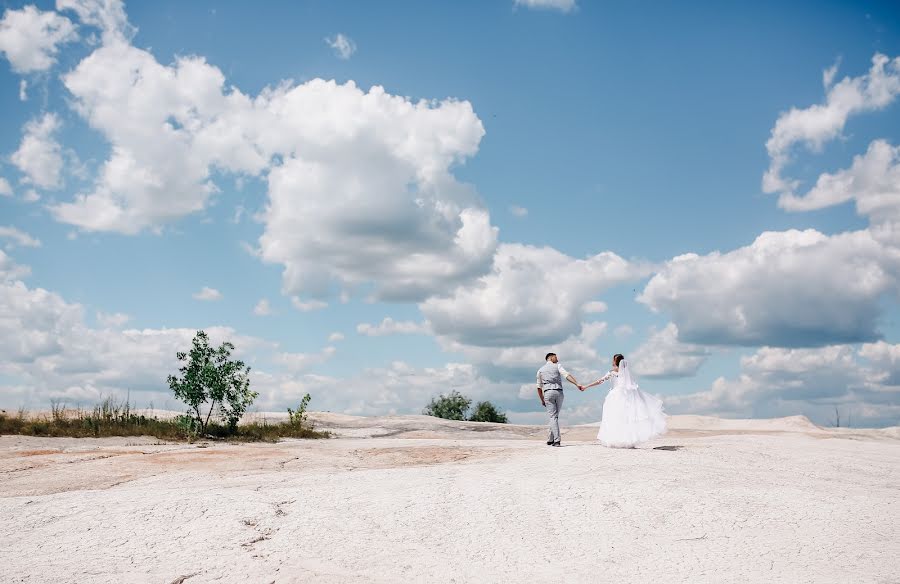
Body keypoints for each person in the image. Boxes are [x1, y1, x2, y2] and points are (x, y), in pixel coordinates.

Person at [582, 354, 666, 448]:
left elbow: (599, 381)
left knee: (614, 418)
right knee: (625, 419)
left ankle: (616, 440)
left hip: (614, 397)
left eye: (613, 359)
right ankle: (627, 441)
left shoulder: (612, 373)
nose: (612, 361)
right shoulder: (627, 374)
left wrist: (586, 386)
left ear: (616, 361)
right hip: (625, 398)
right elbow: (632, 387)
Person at [536, 352, 583, 446]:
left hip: (548, 393)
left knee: (553, 416)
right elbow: (567, 375)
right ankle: (551, 439)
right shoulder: (557, 366)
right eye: (556, 357)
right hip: (559, 392)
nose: (557, 359)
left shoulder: (540, 370)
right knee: (555, 416)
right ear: (551, 357)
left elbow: (539, 387)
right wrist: (577, 383)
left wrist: (542, 400)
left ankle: (556, 440)